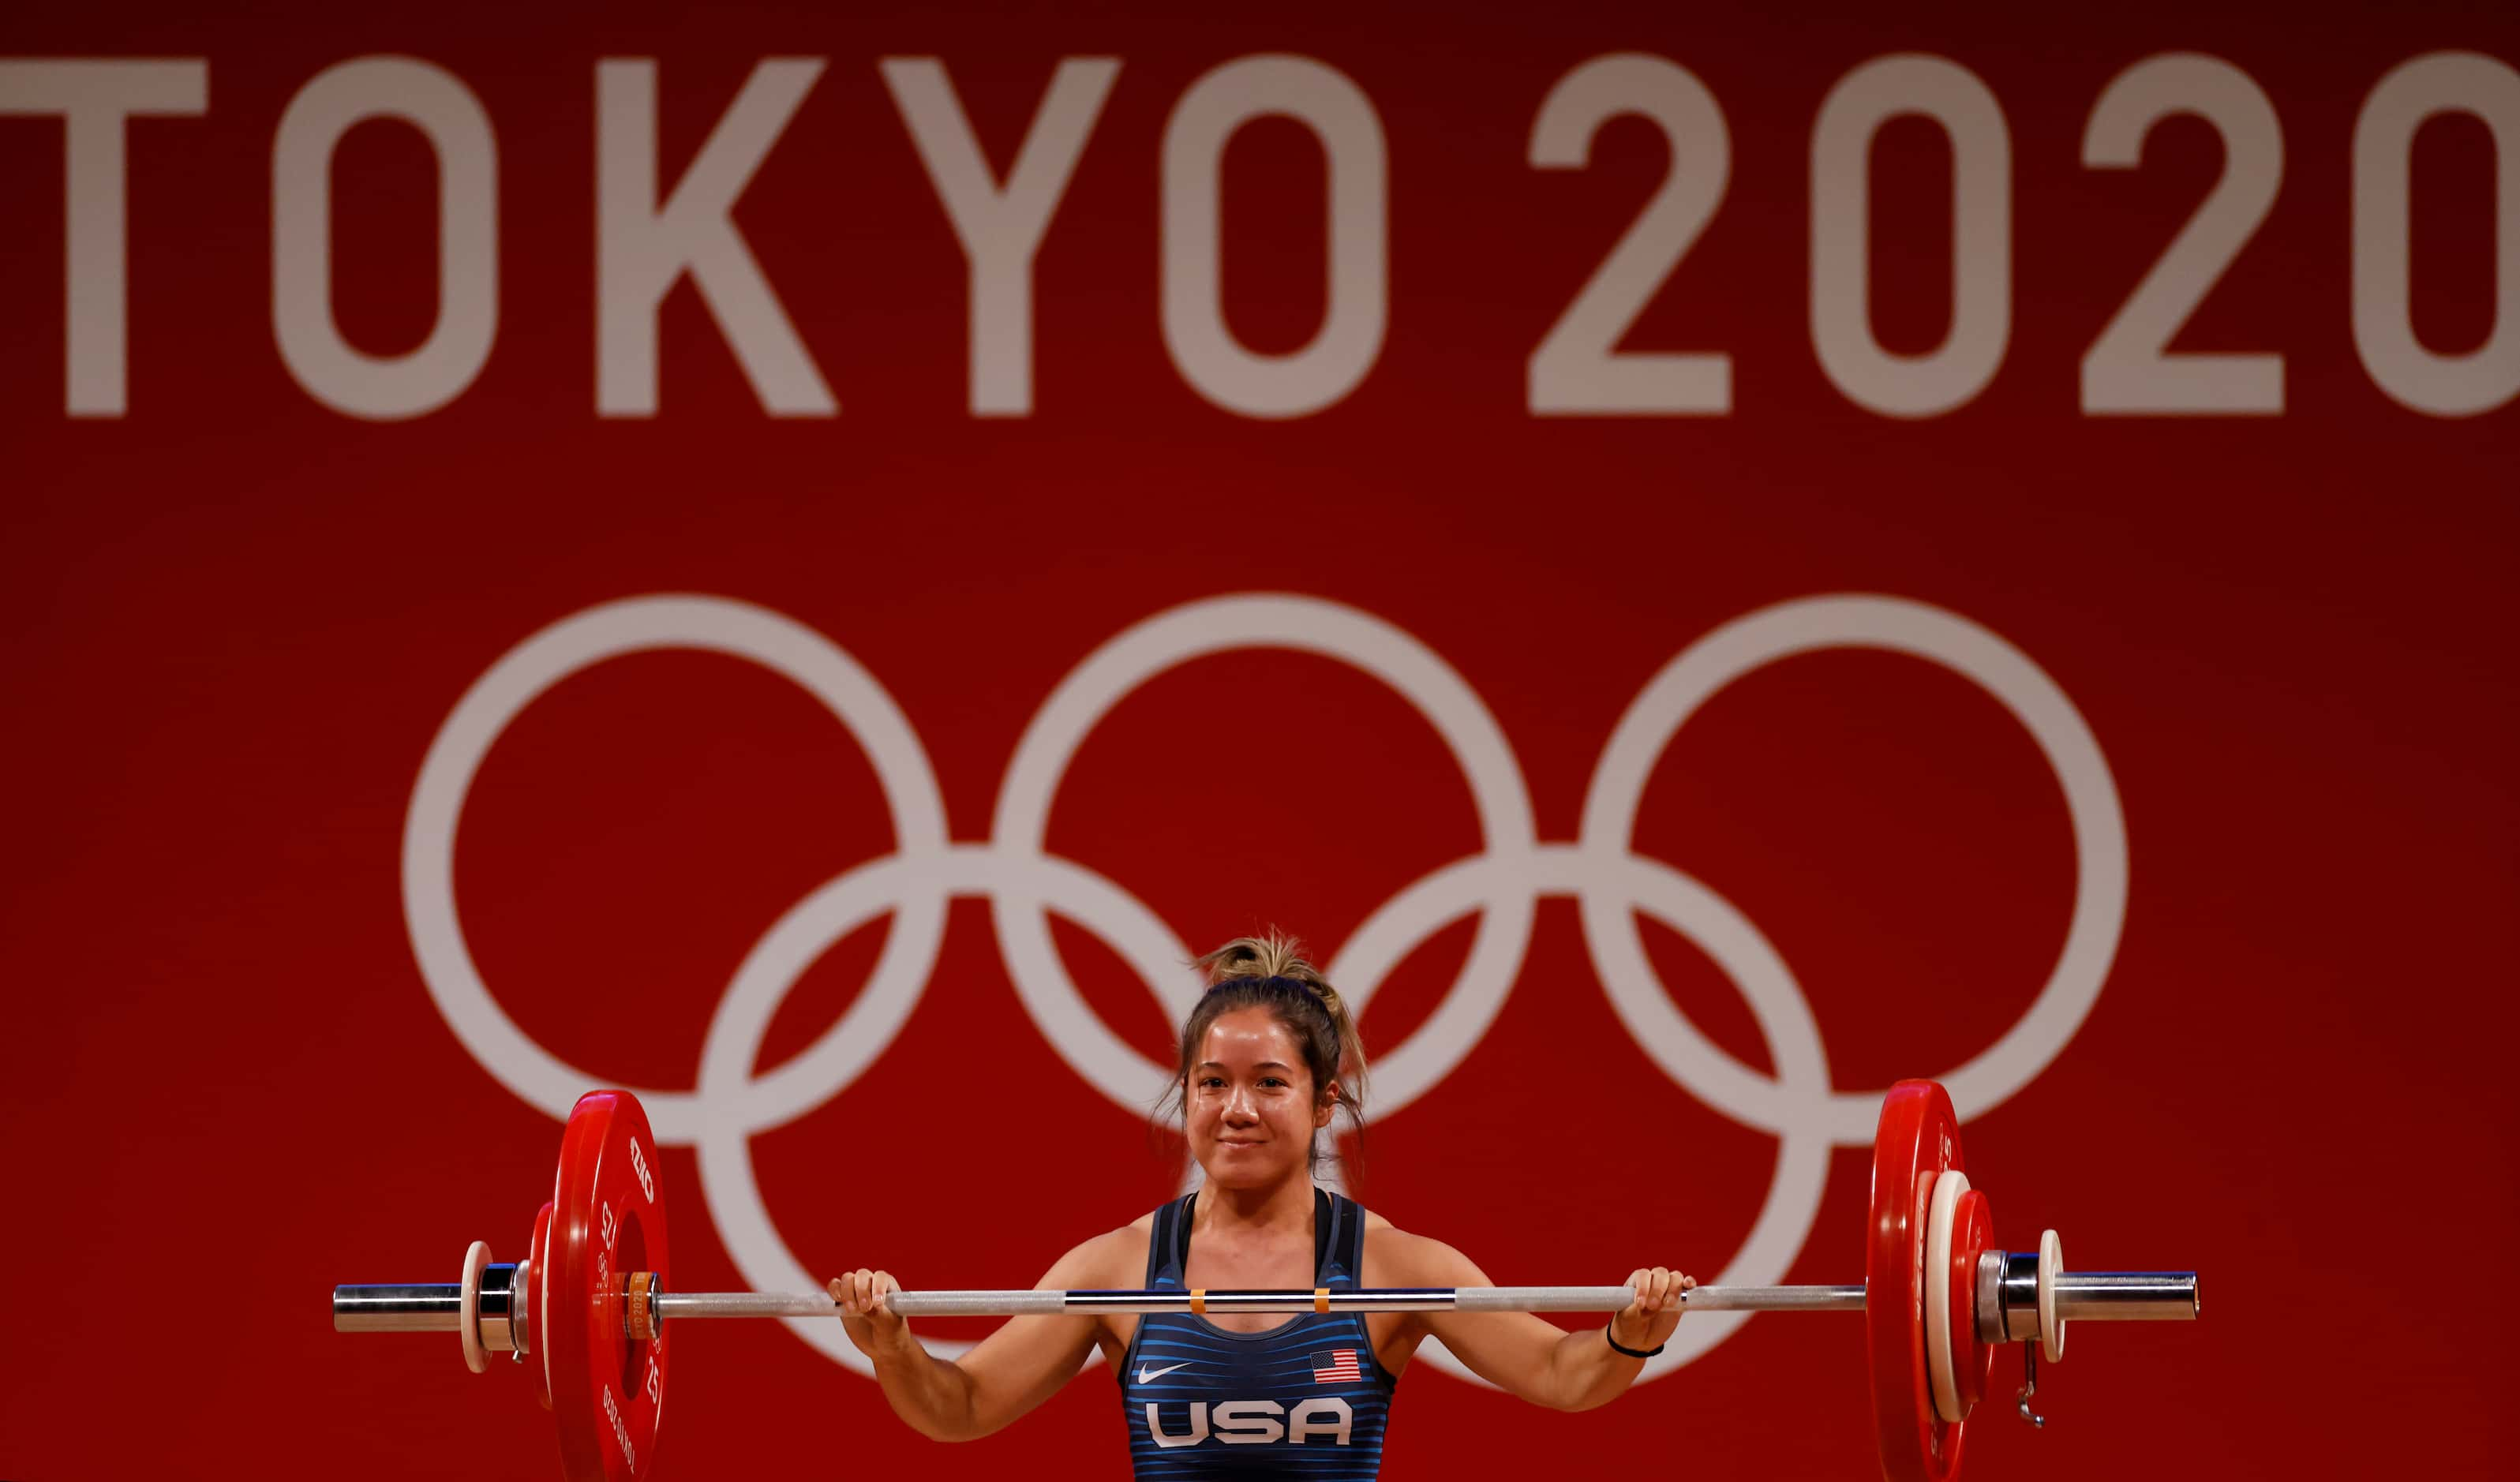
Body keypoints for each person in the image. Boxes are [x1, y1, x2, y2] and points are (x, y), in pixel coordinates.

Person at [829, 931, 1693, 1475]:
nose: (1235, 1108)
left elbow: (1558, 1376)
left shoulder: (1391, 1266)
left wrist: (1629, 1336)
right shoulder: (1121, 1268)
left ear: (1324, 1102)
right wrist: (894, 1350)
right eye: (1212, 1083)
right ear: (1186, 1096)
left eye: (1269, 1083)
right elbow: (962, 1409)